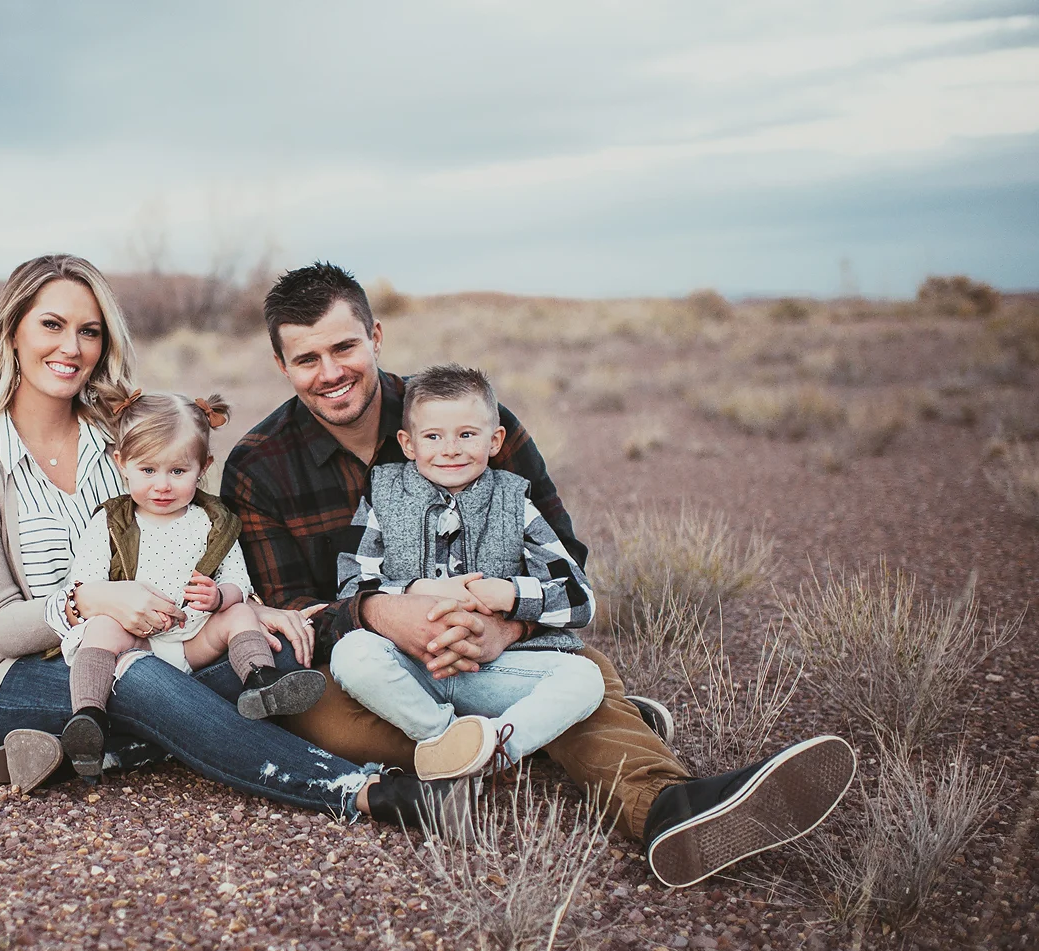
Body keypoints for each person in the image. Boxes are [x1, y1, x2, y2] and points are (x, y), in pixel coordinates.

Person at [221, 261, 856, 887]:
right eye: (307, 359)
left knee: (584, 670)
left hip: (494, 647)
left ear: (375, 337)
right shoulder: (258, 465)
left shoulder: (469, 419)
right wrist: (383, 614)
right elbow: (290, 612)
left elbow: (563, 557)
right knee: (320, 716)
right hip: (373, 666)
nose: (331, 373)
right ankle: (553, 733)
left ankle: (666, 809)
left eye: (344, 348)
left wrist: (507, 629)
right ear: (281, 365)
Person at [0, 253, 463, 830]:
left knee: (275, 654)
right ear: (12, 330)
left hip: (163, 642)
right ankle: (361, 790)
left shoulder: (122, 439)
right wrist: (90, 601)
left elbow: (190, 535)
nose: (71, 347)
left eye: (89, 331)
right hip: (18, 677)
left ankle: (107, 751)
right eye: (52, 325)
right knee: (138, 677)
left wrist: (246, 605)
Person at [331, 364, 604, 780]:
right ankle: (444, 737)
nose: (450, 450)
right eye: (433, 437)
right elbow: (352, 586)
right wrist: (415, 589)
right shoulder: (383, 496)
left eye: (466, 435)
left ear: (494, 441)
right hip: (409, 669)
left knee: (585, 678)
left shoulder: (514, 502)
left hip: (493, 670)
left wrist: (510, 595)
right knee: (350, 656)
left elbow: (579, 598)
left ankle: (494, 751)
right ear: (408, 444)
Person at [45, 385, 325, 777]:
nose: (162, 485)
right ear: (121, 462)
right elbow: (88, 584)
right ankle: (89, 715)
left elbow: (239, 581)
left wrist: (219, 597)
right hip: (136, 644)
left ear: (203, 467)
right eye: (148, 470)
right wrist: (120, 605)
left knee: (240, 613)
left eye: (178, 471)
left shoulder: (213, 521)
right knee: (101, 628)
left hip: (194, 641)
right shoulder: (109, 522)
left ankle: (262, 681)